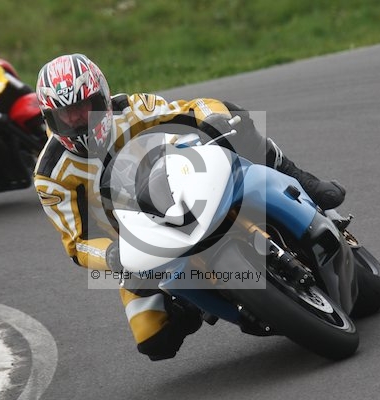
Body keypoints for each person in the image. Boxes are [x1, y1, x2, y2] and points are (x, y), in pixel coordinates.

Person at [33, 53, 346, 361]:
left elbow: (192, 107)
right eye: (65, 114)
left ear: (102, 97)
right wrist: (111, 256)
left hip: (181, 184)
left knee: (234, 118)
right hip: (139, 243)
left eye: (82, 107)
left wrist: (213, 117)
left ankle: (303, 181)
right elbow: (77, 243)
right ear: (49, 118)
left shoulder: (131, 108)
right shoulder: (51, 176)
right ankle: (194, 299)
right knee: (154, 340)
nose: (76, 120)